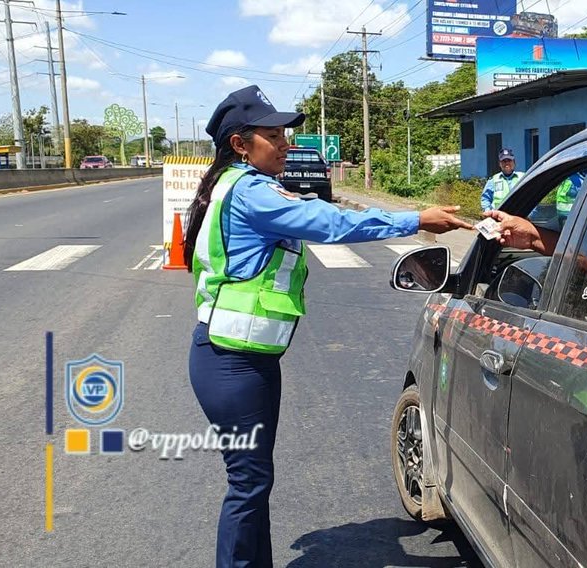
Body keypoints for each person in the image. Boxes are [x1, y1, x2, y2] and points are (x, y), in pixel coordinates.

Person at [182, 84, 471, 568]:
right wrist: (414, 219)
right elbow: (331, 223)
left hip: (243, 358)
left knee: (254, 481)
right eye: (274, 135)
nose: (286, 144)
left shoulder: (233, 183)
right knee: (247, 483)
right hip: (230, 362)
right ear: (240, 143)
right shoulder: (251, 190)